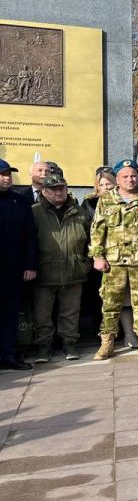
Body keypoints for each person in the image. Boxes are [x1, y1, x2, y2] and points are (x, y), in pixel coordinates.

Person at [87, 159, 138, 360]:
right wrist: (97, 256)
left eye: (133, 175)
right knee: (111, 303)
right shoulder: (106, 200)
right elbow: (97, 230)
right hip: (113, 262)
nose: (131, 179)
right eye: (125, 176)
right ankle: (107, 343)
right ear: (117, 179)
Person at [32, 173, 90, 362]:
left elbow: (92, 240)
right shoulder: (35, 212)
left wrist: (86, 263)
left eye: (61, 188)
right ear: (44, 192)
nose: (58, 192)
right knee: (42, 314)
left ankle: (70, 344)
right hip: (44, 271)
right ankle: (44, 347)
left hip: (74, 270)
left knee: (71, 312)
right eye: (53, 189)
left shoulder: (79, 212)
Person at [0, 158, 37, 370]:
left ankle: (9, 355)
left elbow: (30, 236)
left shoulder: (20, 201)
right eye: (2, 175)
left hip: (13, 269)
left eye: (8, 174)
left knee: (10, 314)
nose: (6, 179)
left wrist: (30, 265)